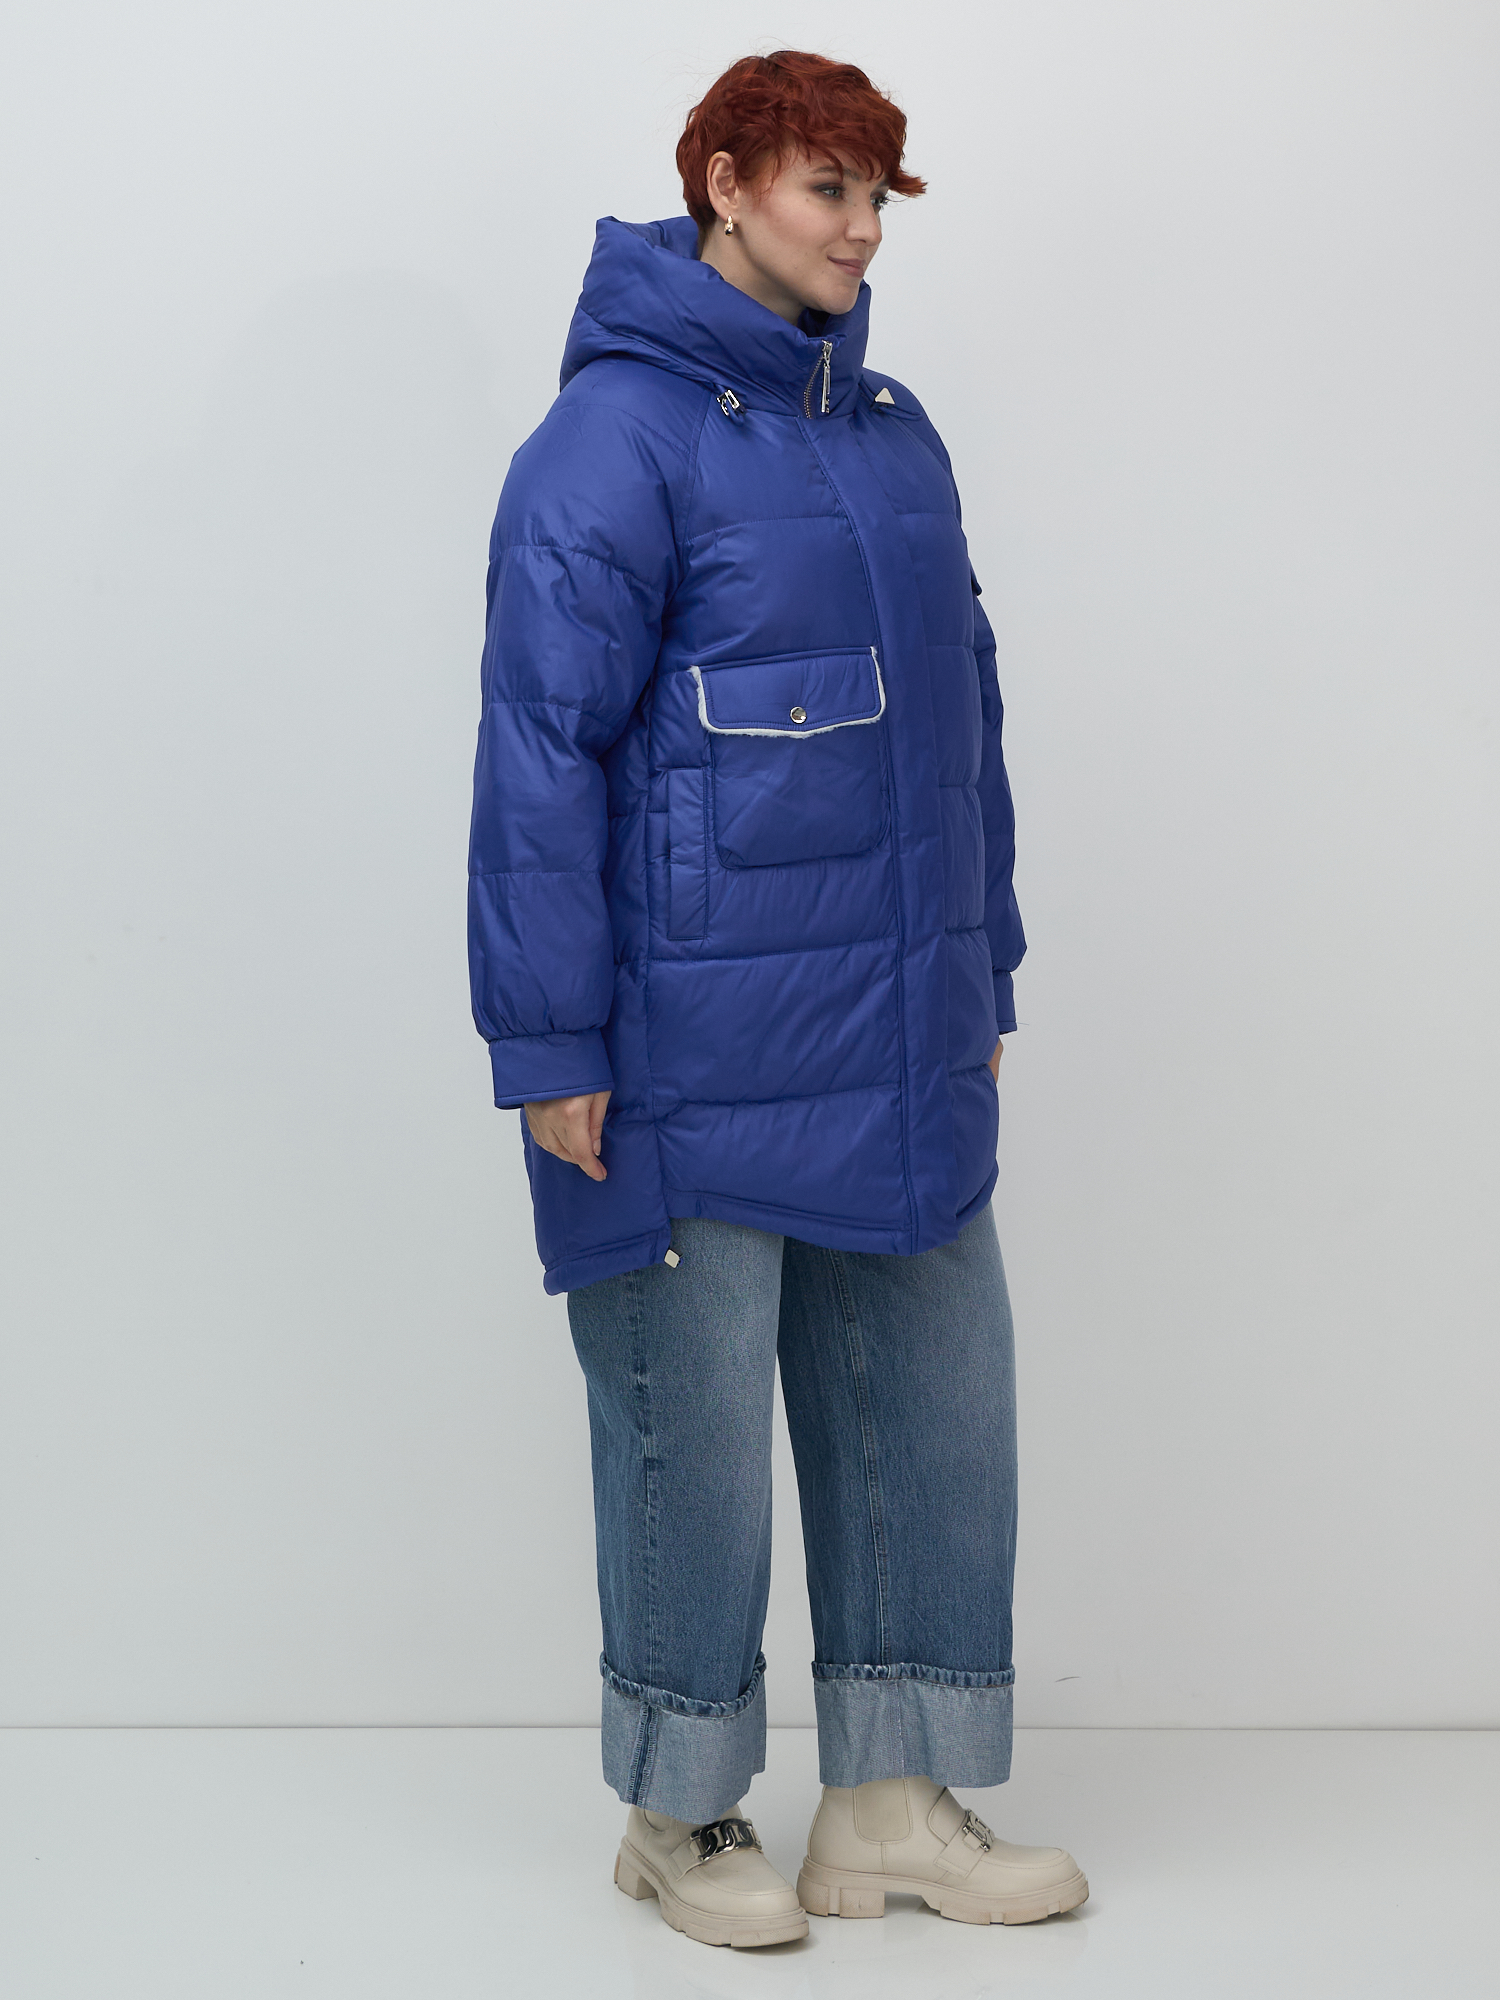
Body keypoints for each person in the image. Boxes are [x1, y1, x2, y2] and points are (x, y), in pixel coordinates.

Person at [467, 49, 1086, 1950]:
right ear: (725, 185)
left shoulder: (894, 438)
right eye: (830, 189)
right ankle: (678, 1812)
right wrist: (549, 1041)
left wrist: (982, 964)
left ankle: (891, 1805)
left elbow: (965, 734)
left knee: (937, 1409)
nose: (864, 229)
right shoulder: (611, 445)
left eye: (881, 197)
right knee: (695, 1440)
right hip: (684, 1053)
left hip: (898, 1036)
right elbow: (538, 758)